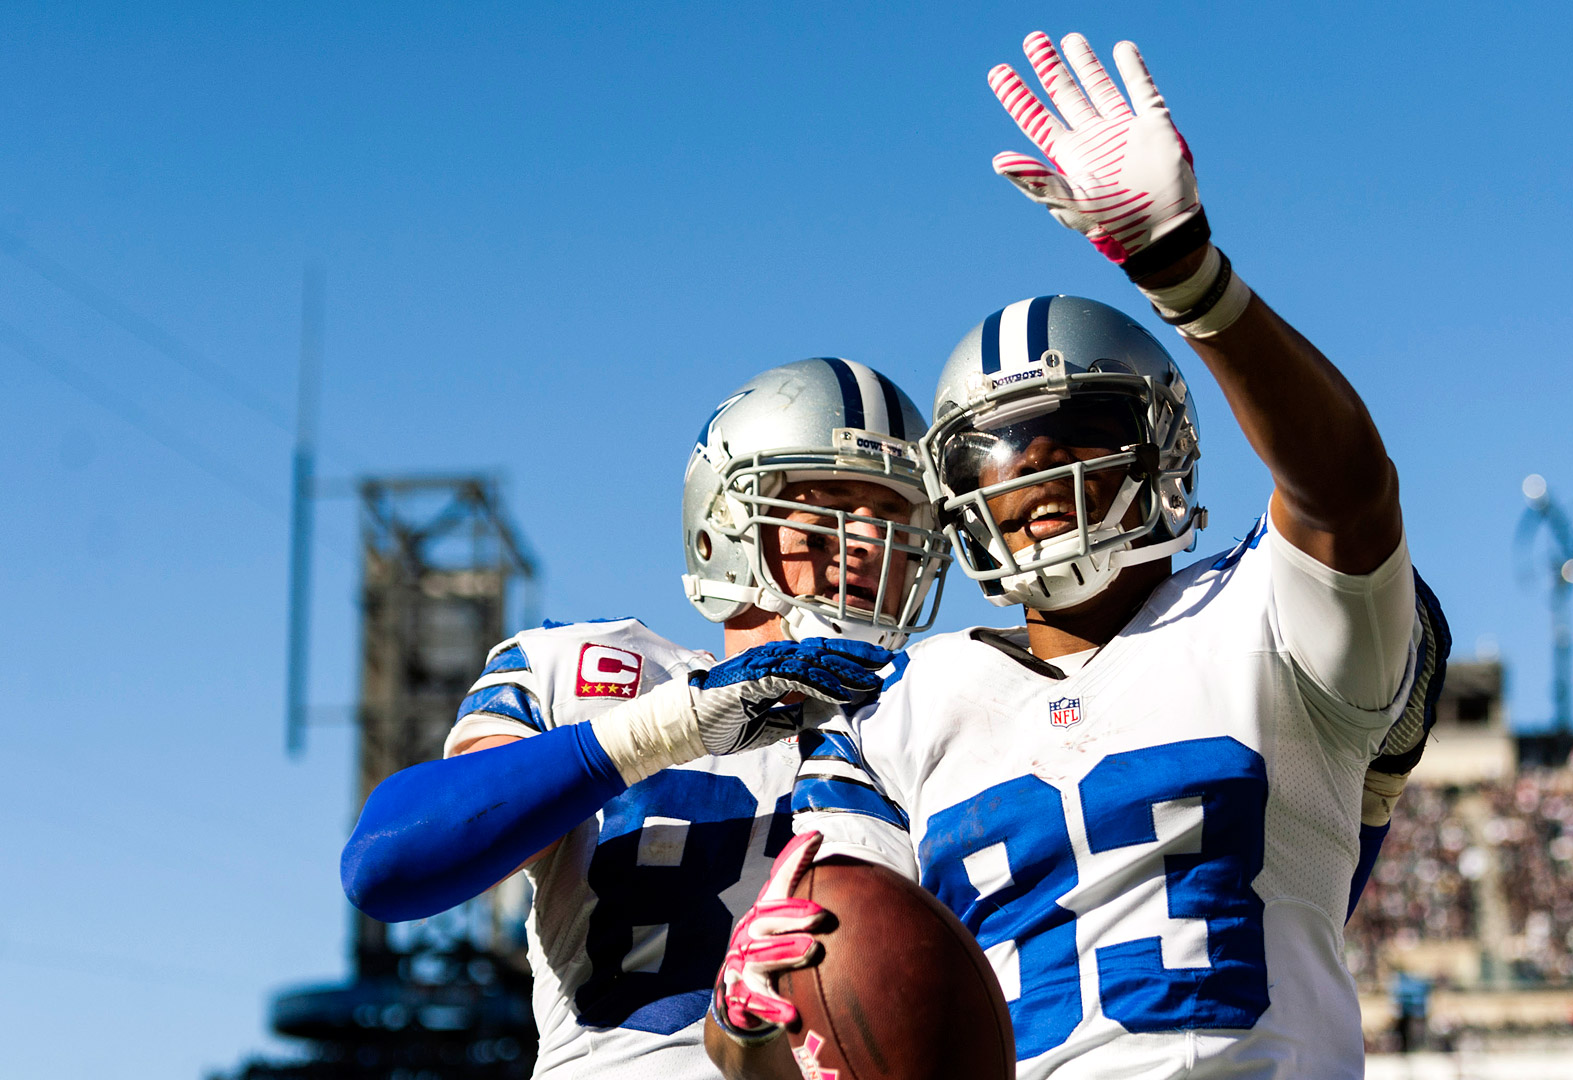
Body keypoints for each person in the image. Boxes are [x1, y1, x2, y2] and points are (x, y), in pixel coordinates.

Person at [711, 34, 1447, 1079]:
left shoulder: (1264, 620)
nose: (1038, 483)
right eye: (1003, 457)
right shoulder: (898, 706)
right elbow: (813, 982)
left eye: (1079, 440)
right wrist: (747, 1019)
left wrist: (1186, 272)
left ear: (1165, 455)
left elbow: (1349, 489)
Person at [340, 357, 949, 1079]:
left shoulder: (949, 703)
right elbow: (388, 865)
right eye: (830, 512)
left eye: (894, 516)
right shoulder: (596, 667)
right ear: (723, 527)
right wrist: (665, 727)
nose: (869, 543)